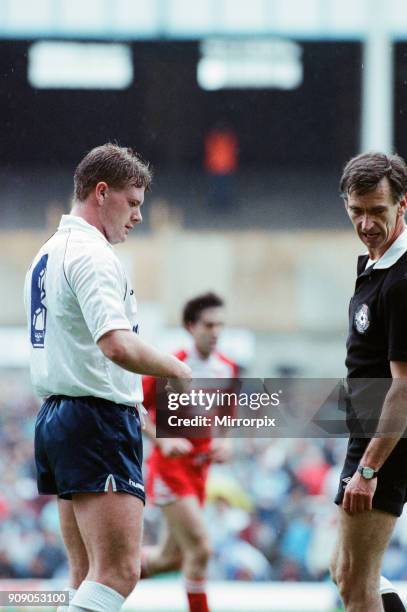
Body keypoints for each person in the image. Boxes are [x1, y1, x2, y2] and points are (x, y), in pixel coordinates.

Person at [23, 143, 191, 612]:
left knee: (85, 575)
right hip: (94, 420)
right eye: (133, 203)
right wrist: (176, 367)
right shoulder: (92, 255)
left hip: (59, 418)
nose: (138, 216)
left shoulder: (48, 253)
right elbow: (115, 343)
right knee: (118, 572)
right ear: (102, 193)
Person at [330, 152, 407, 612]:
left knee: (357, 585)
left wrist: (369, 469)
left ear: (403, 204)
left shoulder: (402, 281)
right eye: (356, 211)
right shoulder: (375, 267)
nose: (366, 223)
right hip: (370, 430)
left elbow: (404, 387)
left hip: (387, 440)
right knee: (348, 574)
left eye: (378, 211)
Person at [141, 292, 238, 612]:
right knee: (201, 549)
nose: (215, 332)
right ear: (190, 326)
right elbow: (134, 409)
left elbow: (226, 420)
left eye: (220, 325)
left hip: (199, 472)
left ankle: (104, 576)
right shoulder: (169, 366)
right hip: (170, 469)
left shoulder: (227, 370)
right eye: (208, 325)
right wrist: (162, 440)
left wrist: (226, 442)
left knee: (171, 559)